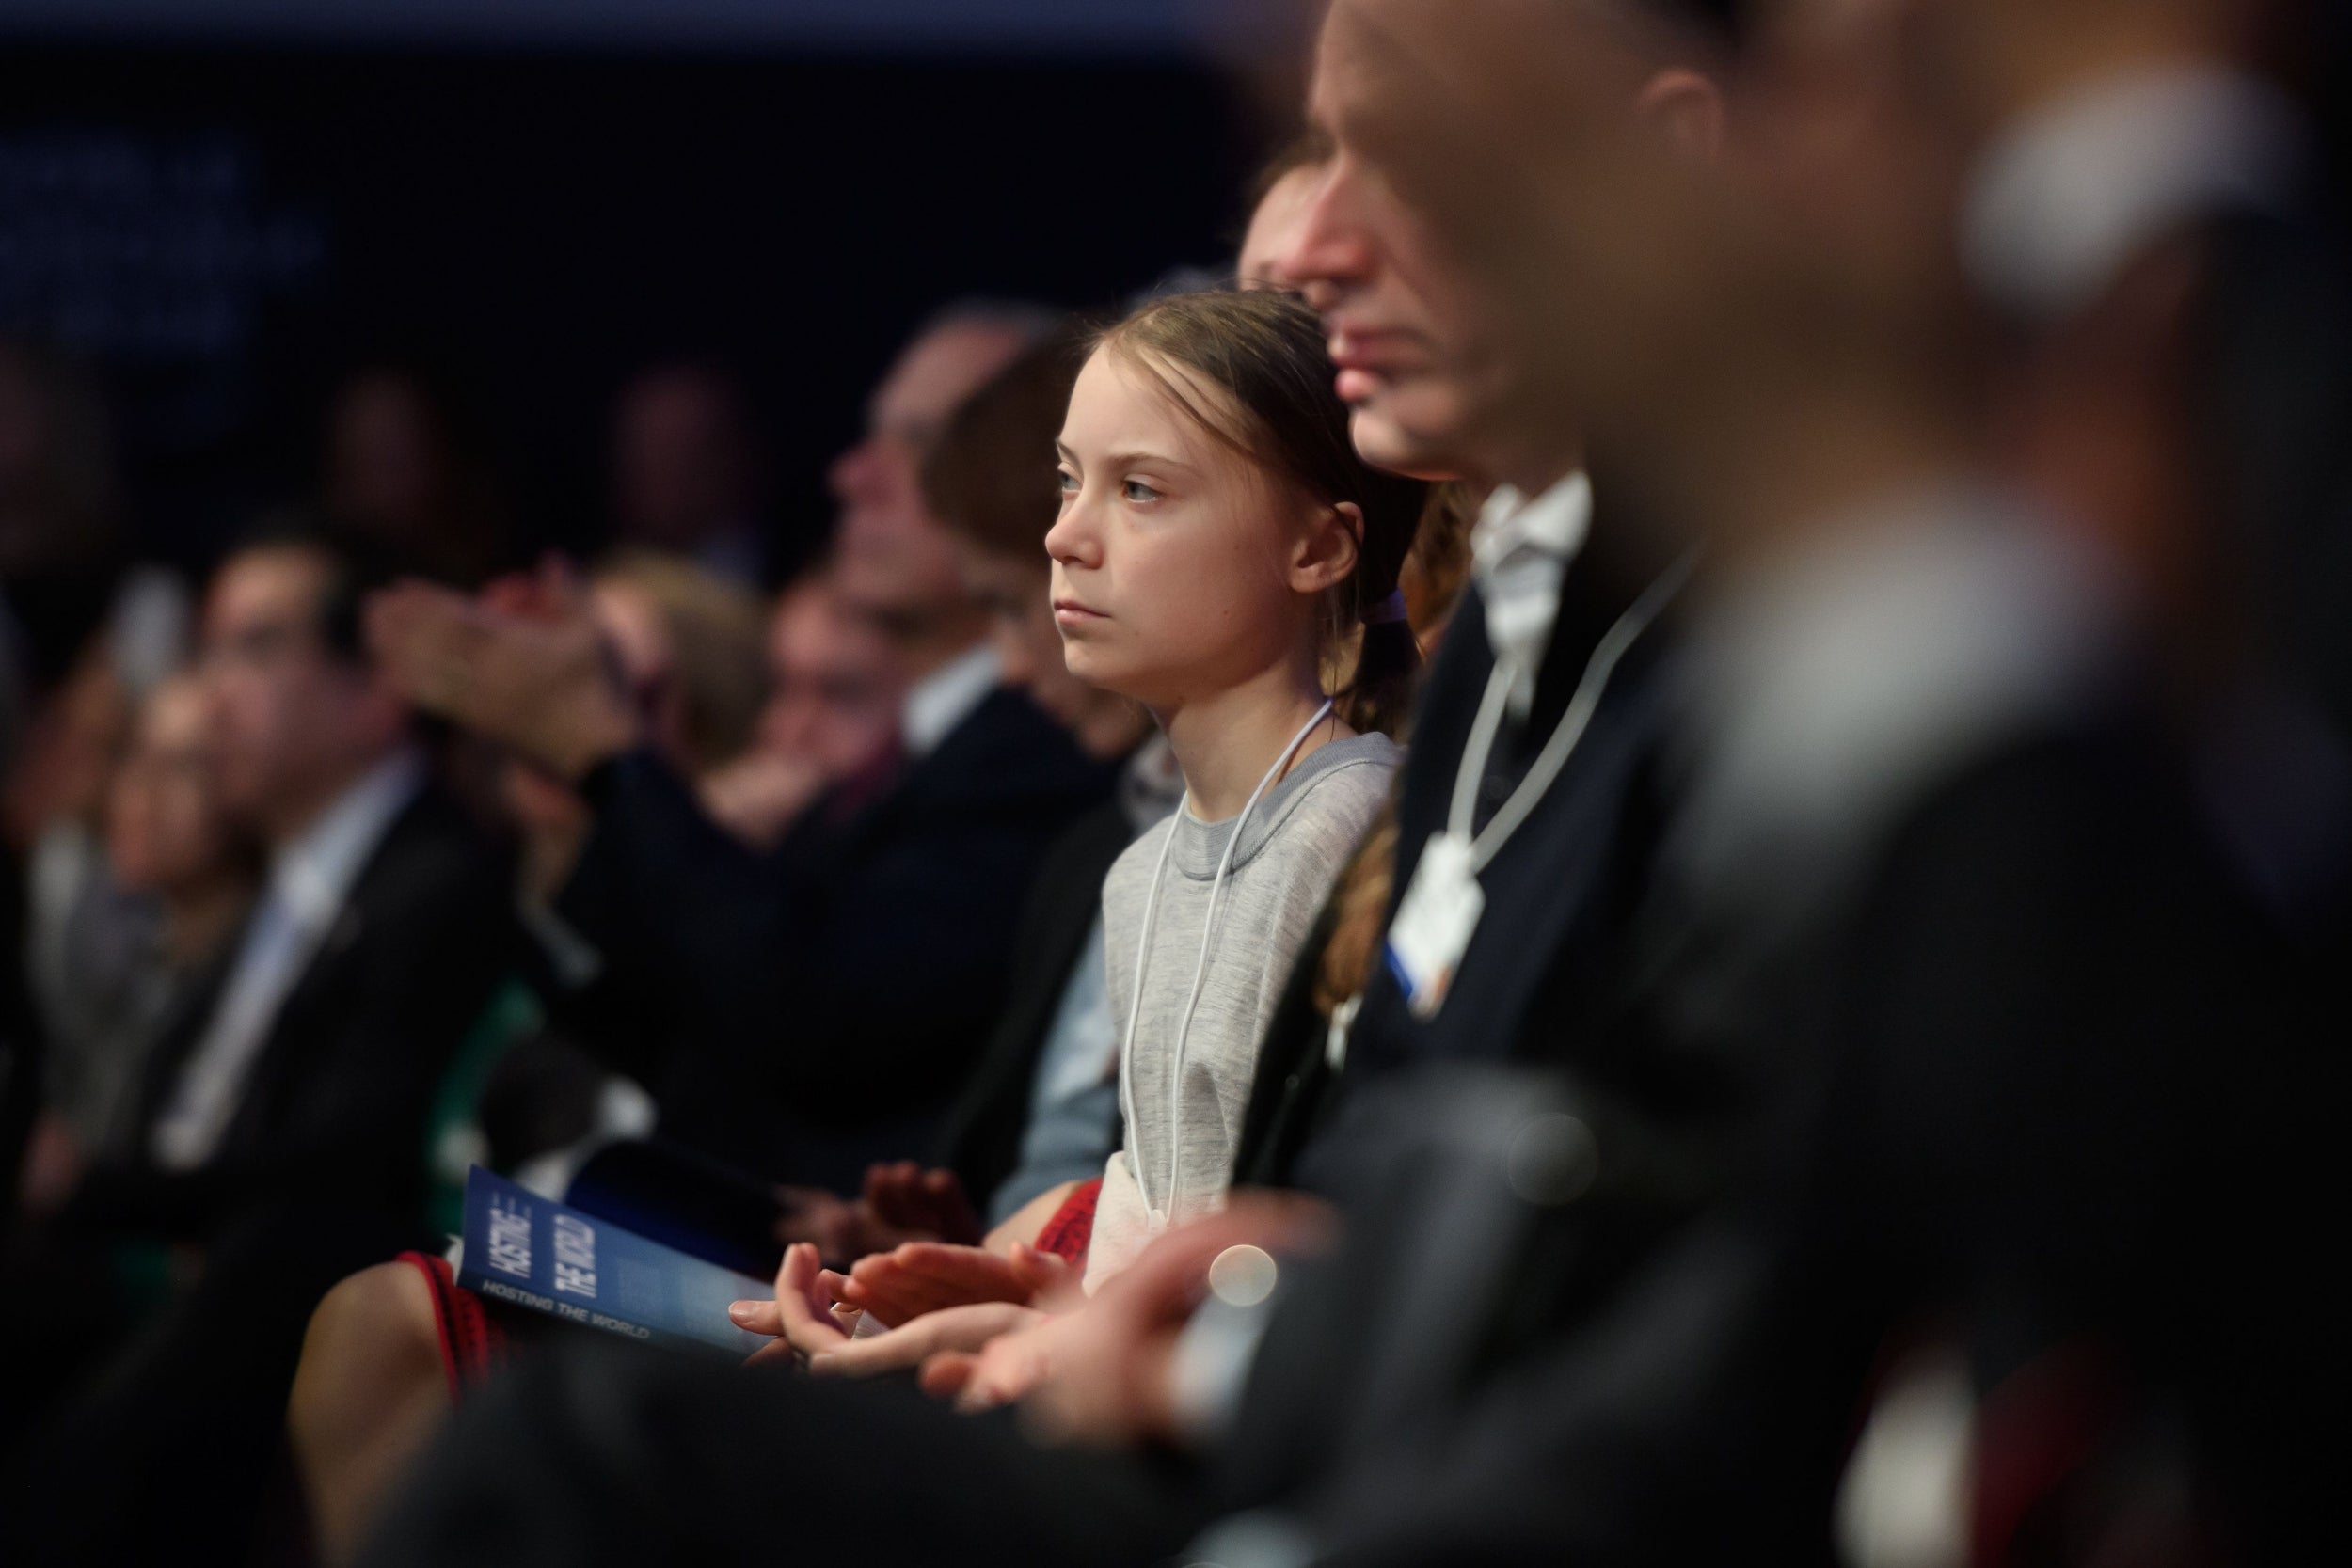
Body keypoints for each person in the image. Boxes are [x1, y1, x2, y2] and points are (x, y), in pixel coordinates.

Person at [366, 305, 1111, 1187]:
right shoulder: (903, 759)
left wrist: (609, 752)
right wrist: (580, 806)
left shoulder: (1052, 743)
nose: (853, 474)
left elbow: (820, 1023)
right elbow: (697, 1038)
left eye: (922, 443)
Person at [1, 528, 517, 1564]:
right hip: (165, 1261)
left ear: (375, 692)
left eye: (254, 647)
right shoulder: (277, 874)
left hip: (272, 1288)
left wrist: (98, 1187)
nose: (213, 688)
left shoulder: (436, 879)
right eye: (209, 648)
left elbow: (342, 1161)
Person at [14, 673, 260, 1220]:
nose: (142, 788)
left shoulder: (257, 976)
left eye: (183, 767)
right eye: (135, 755)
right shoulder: (148, 952)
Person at [607, 363, 776, 588]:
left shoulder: (780, 574)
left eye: (682, 451)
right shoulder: (615, 573)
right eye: (647, 451)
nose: (662, 471)